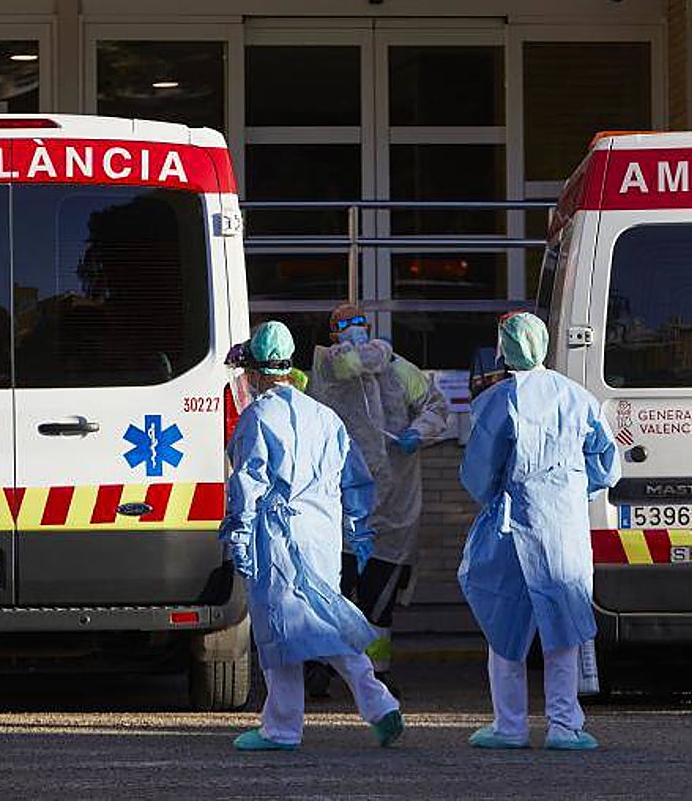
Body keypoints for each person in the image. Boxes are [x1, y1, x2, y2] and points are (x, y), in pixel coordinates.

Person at [220, 321, 404, 751]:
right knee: (327, 621)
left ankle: (281, 728)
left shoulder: (258, 417)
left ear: (254, 372)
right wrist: (358, 531)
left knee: (279, 629)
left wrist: (241, 538)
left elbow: (248, 483)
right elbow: (355, 478)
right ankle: (379, 705)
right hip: (321, 534)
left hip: (278, 535)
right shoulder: (324, 415)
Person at [458, 311, 620, 751]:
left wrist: (499, 492)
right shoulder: (578, 397)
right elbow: (606, 463)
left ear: (504, 348)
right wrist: (573, 486)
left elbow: (478, 474)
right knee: (563, 627)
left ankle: (509, 726)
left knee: (503, 626)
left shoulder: (497, 401)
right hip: (562, 526)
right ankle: (564, 726)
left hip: (512, 525)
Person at [305, 303, 448, 696]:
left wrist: (419, 431)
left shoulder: (400, 371)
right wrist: (378, 351)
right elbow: (349, 365)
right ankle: (317, 670)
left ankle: (376, 674)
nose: (353, 331)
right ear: (333, 334)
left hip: (392, 510)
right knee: (331, 592)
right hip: (339, 508)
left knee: (378, 601)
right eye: (344, 326)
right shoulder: (327, 367)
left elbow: (436, 406)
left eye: (358, 324)